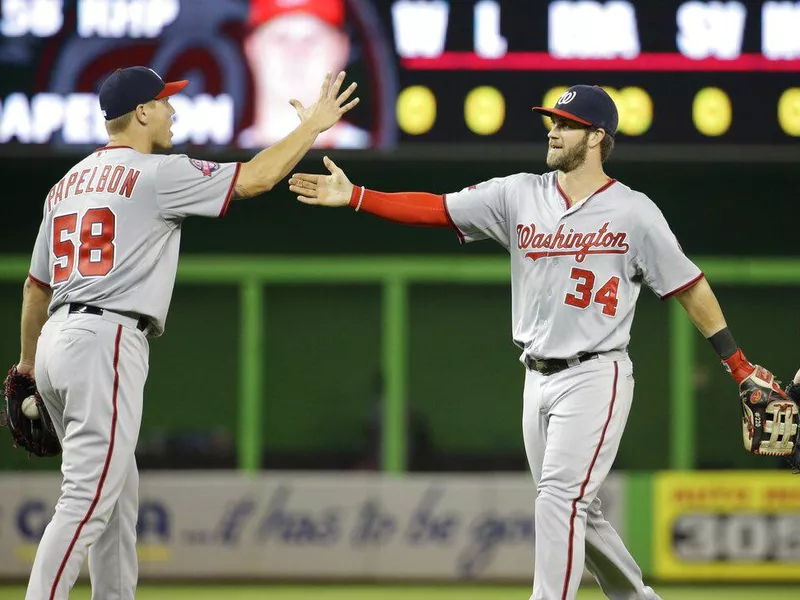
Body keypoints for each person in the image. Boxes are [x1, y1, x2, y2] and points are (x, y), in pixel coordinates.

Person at [289, 85, 783, 599]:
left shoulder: (634, 212)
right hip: (536, 377)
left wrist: (738, 364)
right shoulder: (519, 194)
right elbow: (437, 209)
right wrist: (356, 197)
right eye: (553, 121)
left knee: (558, 500)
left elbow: (689, 285)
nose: (554, 130)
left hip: (597, 373)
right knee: (578, 514)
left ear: (596, 137)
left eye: (567, 124)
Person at [18, 66, 358, 599]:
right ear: (143, 112)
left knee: (116, 499)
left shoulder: (64, 185)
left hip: (57, 341)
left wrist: (26, 367)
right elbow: (257, 178)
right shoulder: (155, 174)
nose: (173, 111)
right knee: (85, 500)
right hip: (103, 341)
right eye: (165, 102)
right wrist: (312, 127)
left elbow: (35, 290)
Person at [239, 0, 370, 150]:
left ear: (341, 48)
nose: (295, 54)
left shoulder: (380, 163)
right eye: (280, 39)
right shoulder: (219, 165)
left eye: (311, 40)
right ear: (251, 47)